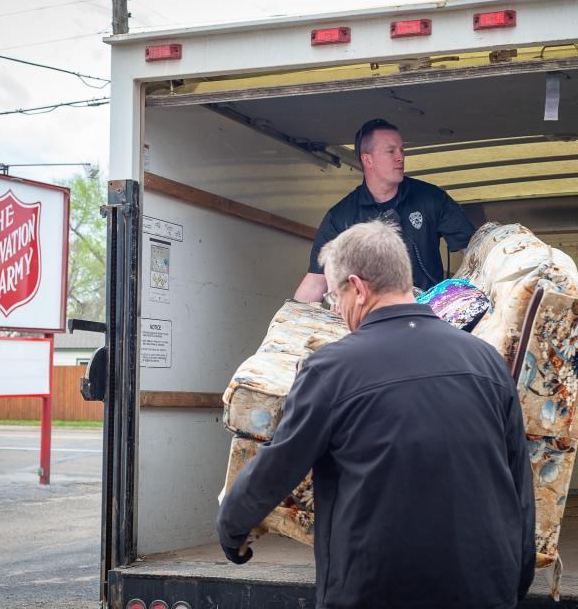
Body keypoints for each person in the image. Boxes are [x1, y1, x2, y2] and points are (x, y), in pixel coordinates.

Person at [218, 220, 536, 609]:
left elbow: (280, 465)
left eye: (336, 296)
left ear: (359, 287)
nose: (336, 309)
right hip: (484, 589)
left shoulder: (331, 369)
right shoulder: (485, 362)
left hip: (375, 590)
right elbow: (519, 481)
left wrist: (232, 529)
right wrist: (517, 575)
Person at [293, 118, 476, 302]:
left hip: (426, 316)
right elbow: (316, 282)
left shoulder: (431, 198)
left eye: (401, 150)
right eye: (391, 151)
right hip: (369, 322)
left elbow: (475, 251)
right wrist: (288, 325)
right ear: (368, 159)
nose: (400, 157)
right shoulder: (340, 217)